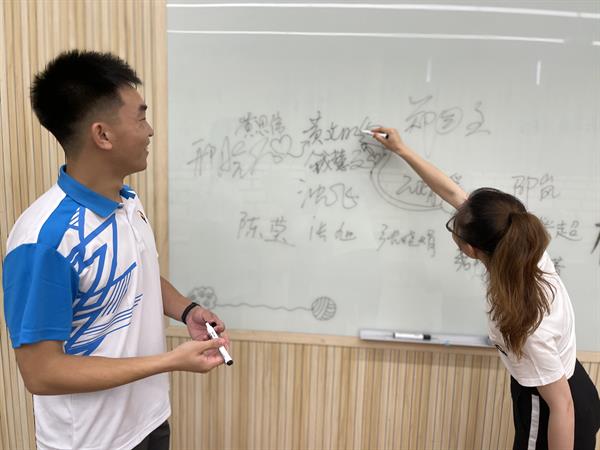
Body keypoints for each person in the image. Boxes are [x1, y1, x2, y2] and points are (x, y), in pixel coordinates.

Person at [2, 50, 230, 450]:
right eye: (140, 118)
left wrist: (187, 311)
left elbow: (138, 273)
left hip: (148, 419)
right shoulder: (44, 240)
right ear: (102, 135)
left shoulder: (126, 201)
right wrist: (170, 361)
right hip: (91, 441)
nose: (150, 131)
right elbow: (41, 373)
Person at [371, 127, 600, 450]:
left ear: (469, 249)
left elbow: (561, 406)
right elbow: (454, 194)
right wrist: (402, 150)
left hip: (554, 412)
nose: (458, 209)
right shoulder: (529, 255)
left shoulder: (520, 321)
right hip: (571, 389)